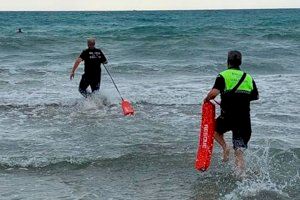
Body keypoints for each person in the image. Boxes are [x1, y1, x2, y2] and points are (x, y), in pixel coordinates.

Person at [204, 51, 259, 173]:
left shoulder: (223, 75)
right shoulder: (248, 77)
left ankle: (225, 147)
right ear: (240, 62)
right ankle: (241, 179)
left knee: (213, 129)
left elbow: (213, 94)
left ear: (228, 62)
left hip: (228, 117)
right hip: (244, 120)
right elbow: (255, 96)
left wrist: (207, 99)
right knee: (239, 151)